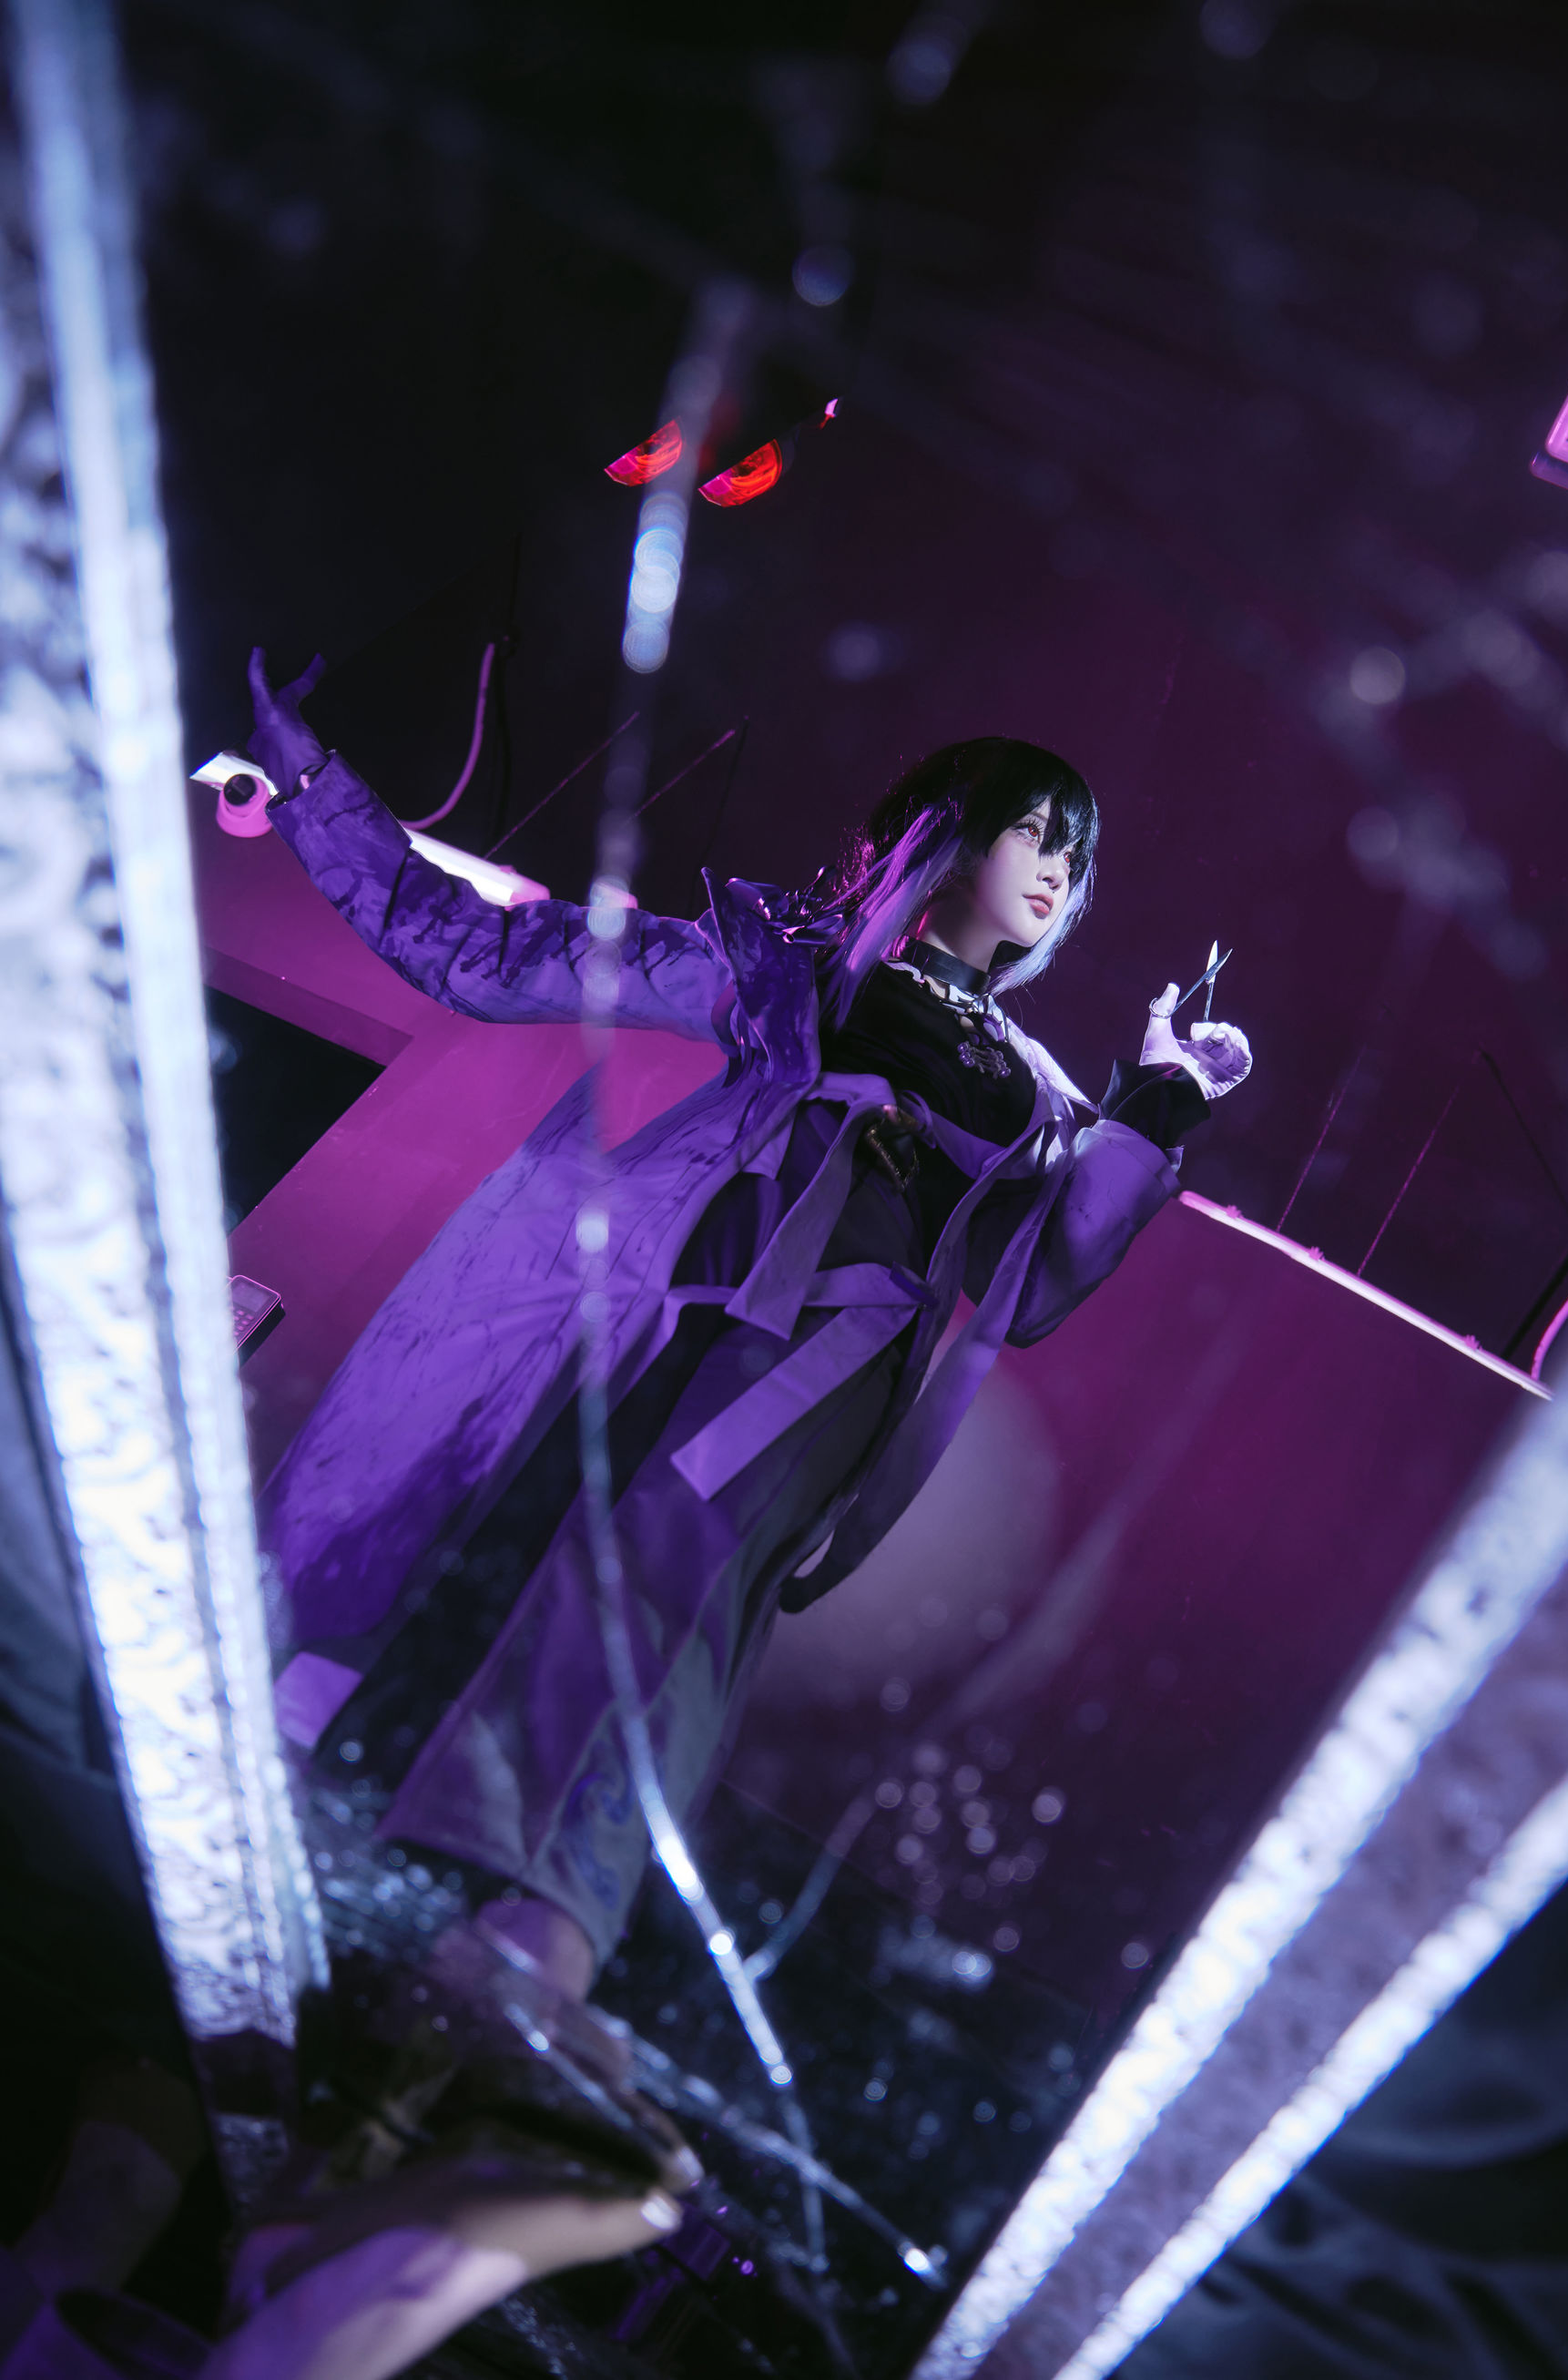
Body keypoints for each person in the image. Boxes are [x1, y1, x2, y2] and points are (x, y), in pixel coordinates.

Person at [247, 650, 1252, 2001]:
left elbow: (1040, 1281)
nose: (1059, 867)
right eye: (1035, 829)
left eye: (1076, 852)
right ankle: (397, 1844)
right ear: (951, 831)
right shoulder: (789, 959)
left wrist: (1163, 1100)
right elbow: (484, 953)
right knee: (529, 1528)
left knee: (680, 1579)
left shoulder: (1039, 1092)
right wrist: (310, 782)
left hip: (833, 1343)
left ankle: (548, 1923)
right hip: (680, 1287)